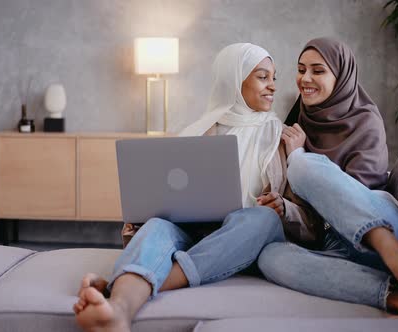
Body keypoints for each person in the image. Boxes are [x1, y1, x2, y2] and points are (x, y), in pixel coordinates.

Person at [72, 43, 308, 332]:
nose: (272, 86)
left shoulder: (281, 137)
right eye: (262, 77)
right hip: (195, 232)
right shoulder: (199, 131)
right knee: (157, 225)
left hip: (241, 239)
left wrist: (283, 206)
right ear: (235, 79)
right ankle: (118, 311)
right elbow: (166, 193)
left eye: (274, 77)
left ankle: (123, 286)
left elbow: (307, 221)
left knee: (262, 217)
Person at [257, 37, 398, 318]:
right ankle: (393, 293)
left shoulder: (365, 121)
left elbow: (356, 194)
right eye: (301, 69)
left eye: (318, 71)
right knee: (270, 257)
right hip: (336, 241)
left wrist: (298, 157)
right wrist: (284, 208)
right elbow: (311, 219)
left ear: (342, 76)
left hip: (382, 225)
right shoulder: (300, 120)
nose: (305, 78)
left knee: (302, 166)